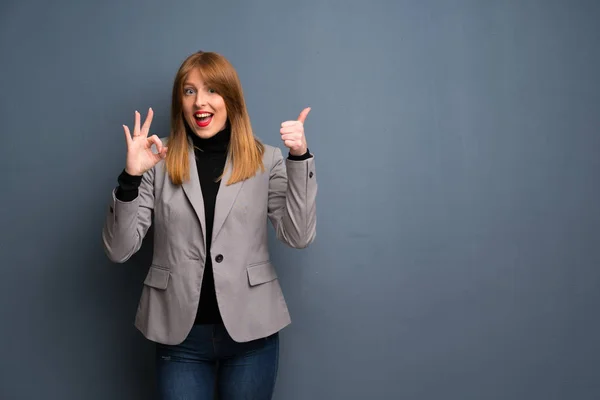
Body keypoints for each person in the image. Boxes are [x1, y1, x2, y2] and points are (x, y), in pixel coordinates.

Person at [102, 50, 317, 399]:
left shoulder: (267, 159)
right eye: (189, 91)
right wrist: (131, 177)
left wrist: (299, 158)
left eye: (212, 90)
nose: (200, 102)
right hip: (180, 336)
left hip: (251, 335)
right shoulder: (156, 158)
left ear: (230, 98)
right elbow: (119, 249)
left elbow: (298, 235)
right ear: (180, 102)